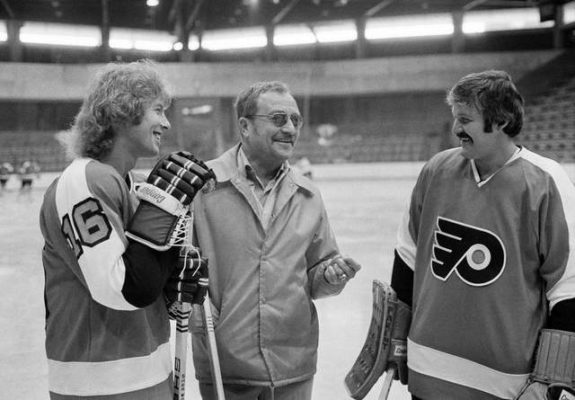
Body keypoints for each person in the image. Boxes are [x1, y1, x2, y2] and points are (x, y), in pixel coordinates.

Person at [390, 70, 575, 400]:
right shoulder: (436, 170)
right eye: (455, 118)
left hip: (506, 386)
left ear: (501, 120)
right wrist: (395, 338)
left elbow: (569, 287)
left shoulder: (546, 182)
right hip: (426, 373)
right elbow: (407, 257)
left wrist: (553, 379)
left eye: (465, 119)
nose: (456, 129)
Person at [39, 59, 214, 400]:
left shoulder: (126, 183)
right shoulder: (84, 180)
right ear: (124, 110)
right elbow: (122, 289)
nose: (165, 122)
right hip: (101, 383)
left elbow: (141, 275)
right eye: (158, 110)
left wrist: (171, 278)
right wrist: (161, 209)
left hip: (142, 373)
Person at [189, 80, 362, 400]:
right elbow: (175, 268)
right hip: (224, 363)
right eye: (279, 119)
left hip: (293, 367)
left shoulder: (308, 195)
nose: (290, 128)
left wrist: (330, 275)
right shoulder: (203, 187)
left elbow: (317, 272)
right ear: (245, 126)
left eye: (296, 120)